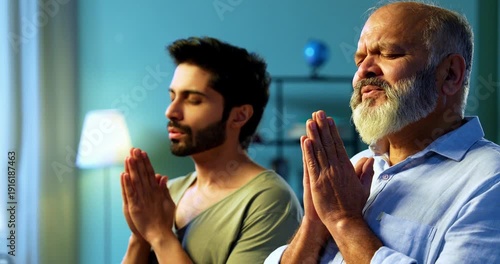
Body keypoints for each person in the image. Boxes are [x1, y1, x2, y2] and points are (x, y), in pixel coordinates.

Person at [265, 1, 500, 264]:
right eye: (359, 60)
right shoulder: (351, 170)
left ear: (450, 74)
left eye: (389, 54)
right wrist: (314, 222)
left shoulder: (490, 181)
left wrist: (344, 221)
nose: (363, 72)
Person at [120, 37, 303, 263]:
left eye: (193, 100)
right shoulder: (167, 193)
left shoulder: (269, 201)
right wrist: (140, 235)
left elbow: (158, 234)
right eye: (172, 97)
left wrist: (159, 234)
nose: (171, 111)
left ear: (239, 116)